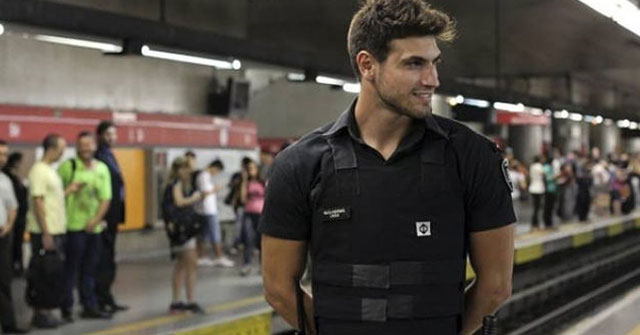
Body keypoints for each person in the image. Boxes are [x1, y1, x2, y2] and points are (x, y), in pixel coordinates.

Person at [259, 1, 516, 334]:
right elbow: (279, 289)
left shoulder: (473, 157)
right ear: (367, 65)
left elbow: (496, 285)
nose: (433, 79)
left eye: (434, 63)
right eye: (414, 64)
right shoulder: (299, 165)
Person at [59, 131, 112, 321]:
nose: (85, 149)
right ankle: (66, 308)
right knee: (70, 269)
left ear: (94, 146)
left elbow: (106, 198)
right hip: (73, 227)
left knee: (90, 269)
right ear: (77, 147)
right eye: (81, 145)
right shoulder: (69, 167)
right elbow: (56, 196)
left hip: (94, 228)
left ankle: (89, 305)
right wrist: (69, 190)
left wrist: (96, 219)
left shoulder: (102, 169)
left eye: (88, 145)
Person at [26, 134, 68, 328]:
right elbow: (38, 202)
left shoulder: (50, 171)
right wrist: (46, 232)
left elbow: (52, 199)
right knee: (43, 272)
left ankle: (47, 310)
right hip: (45, 232)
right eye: (62, 148)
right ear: (52, 148)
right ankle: (40, 313)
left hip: (55, 230)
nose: (63, 152)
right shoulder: (38, 171)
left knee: (53, 274)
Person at [93, 121, 129, 313]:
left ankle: (107, 297)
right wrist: (103, 216)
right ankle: (100, 298)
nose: (112, 138)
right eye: (108, 134)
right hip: (105, 216)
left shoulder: (110, 155)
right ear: (99, 136)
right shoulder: (99, 157)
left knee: (109, 258)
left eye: (114, 134)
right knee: (103, 259)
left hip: (113, 215)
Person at [165, 157, 206, 314]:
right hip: (183, 231)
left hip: (177, 231)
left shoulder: (171, 185)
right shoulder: (176, 185)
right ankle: (190, 300)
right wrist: (194, 198)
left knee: (180, 266)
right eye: (182, 168)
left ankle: (176, 301)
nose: (185, 172)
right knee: (191, 265)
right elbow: (180, 202)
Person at [0, 140, 28, 334]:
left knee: (3, 281)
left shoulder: (5, 180)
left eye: (5, 155)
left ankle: (9, 324)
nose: (3, 159)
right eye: (0, 154)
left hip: (2, 235)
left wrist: (9, 225)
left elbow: (13, 206)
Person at [194, 159, 234, 267]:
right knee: (215, 234)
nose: (215, 173)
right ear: (214, 167)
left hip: (207, 209)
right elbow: (204, 193)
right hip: (207, 210)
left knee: (203, 234)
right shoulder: (203, 176)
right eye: (217, 171)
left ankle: (202, 256)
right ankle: (218, 256)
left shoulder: (205, 176)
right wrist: (215, 189)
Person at [2, 152, 28, 277]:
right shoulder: (8, 177)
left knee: (16, 245)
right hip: (11, 220)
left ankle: (16, 266)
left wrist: (10, 223)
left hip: (16, 219)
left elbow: (13, 204)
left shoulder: (9, 178)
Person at [239, 159, 265, 276]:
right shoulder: (246, 183)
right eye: (249, 169)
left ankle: (263, 265)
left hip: (261, 213)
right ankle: (247, 264)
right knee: (248, 239)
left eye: (253, 168)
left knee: (261, 241)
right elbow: (243, 199)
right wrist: (244, 180)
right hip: (249, 212)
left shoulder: (263, 182)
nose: (251, 171)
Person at [528, 156, 545, 231]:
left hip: (532, 188)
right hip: (539, 188)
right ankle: (536, 223)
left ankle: (533, 223)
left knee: (535, 207)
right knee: (538, 208)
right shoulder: (539, 166)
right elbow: (543, 174)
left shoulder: (532, 166)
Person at [542, 156, 558, 229]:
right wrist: (555, 177)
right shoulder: (547, 168)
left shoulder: (549, 167)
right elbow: (547, 178)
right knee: (548, 207)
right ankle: (547, 222)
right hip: (548, 189)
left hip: (552, 189)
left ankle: (549, 222)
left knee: (551, 207)